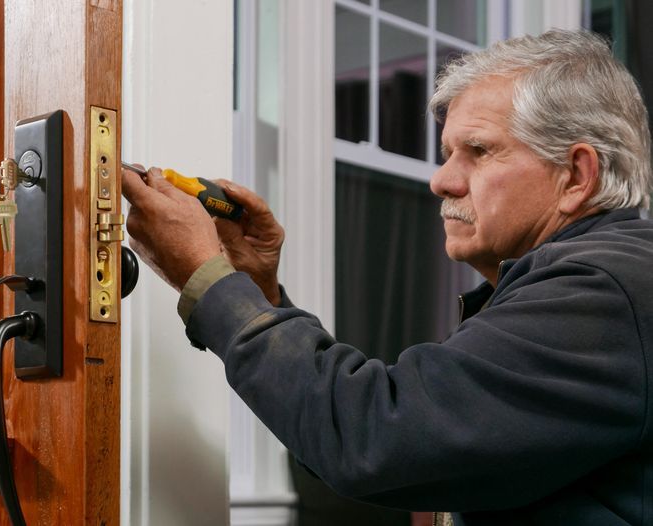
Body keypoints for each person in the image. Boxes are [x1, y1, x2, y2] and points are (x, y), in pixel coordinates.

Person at [122, 29, 653, 525]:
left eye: (478, 151)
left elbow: (373, 439)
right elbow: (394, 459)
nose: (441, 181)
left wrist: (208, 277)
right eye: (448, 153)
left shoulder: (602, 290)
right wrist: (258, 293)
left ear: (576, 175)